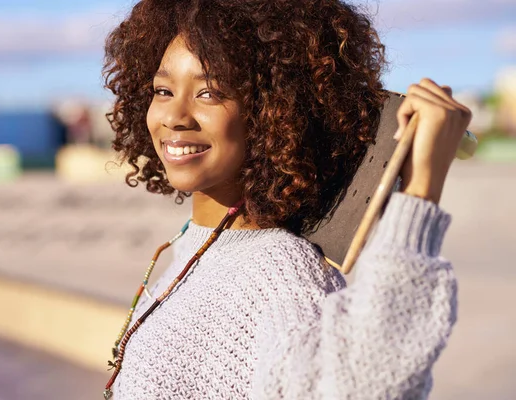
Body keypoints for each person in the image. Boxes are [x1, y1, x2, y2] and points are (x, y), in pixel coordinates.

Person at [101, 0, 471, 398]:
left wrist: (420, 192)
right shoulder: (195, 243)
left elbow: (366, 383)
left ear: (275, 112)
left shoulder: (279, 268)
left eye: (210, 92)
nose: (175, 115)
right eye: (163, 90)